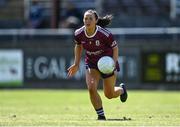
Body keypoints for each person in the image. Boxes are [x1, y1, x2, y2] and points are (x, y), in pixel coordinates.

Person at [67, 9, 128, 120]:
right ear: (83, 20)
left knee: (109, 94)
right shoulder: (78, 33)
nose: (88, 20)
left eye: (90, 18)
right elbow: (78, 46)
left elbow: (115, 47)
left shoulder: (104, 34)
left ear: (96, 20)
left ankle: (122, 90)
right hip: (92, 63)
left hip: (107, 64)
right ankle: (101, 115)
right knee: (91, 88)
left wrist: (113, 63)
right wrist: (76, 63)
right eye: (85, 18)